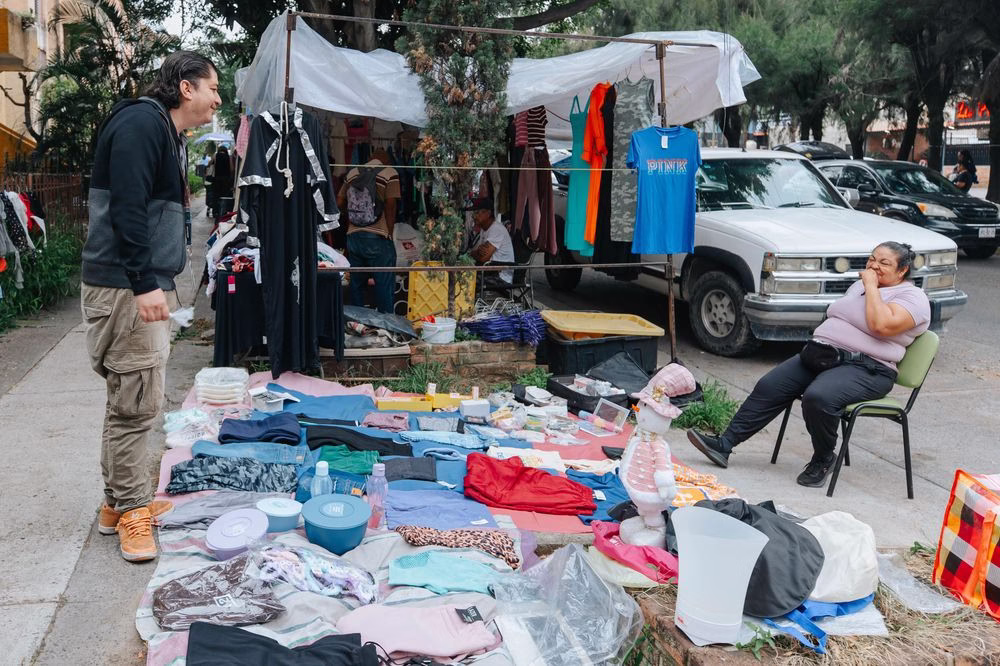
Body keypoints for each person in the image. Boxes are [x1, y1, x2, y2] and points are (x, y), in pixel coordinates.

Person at [80, 51, 220, 561]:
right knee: (137, 405)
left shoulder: (160, 128)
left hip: (127, 283)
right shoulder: (142, 124)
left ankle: (116, 505)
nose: (217, 99)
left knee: (128, 398)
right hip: (123, 287)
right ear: (186, 88)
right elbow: (128, 207)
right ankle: (134, 511)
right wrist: (143, 283)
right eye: (212, 87)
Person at [686, 242, 931, 488]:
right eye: (872, 259)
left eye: (884, 263)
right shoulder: (859, 287)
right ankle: (724, 445)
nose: (873, 265)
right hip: (824, 355)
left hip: (868, 368)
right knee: (771, 385)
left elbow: (882, 325)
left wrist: (870, 285)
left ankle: (824, 459)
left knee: (819, 398)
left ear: (902, 271)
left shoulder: (913, 298)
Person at [337, 156, 400, 313]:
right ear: (384, 161)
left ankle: (357, 325)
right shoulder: (389, 173)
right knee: (383, 283)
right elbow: (391, 206)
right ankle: (385, 324)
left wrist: (353, 219)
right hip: (378, 237)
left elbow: (339, 202)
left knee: (356, 284)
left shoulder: (352, 173)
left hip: (354, 236)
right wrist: (389, 234)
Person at [467, 197, 515, 286]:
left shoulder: (496, 229)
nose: (474, 216)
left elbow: (483, 258)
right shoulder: (484, 229)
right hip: (490, 271)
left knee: (465, 280)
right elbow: (479, 253)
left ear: (488, 213)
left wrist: (473, 253)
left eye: (477, 213)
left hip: (500, 277)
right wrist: (475, 252)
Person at [212, 145, 234, 217]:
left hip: (217, 179)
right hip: (226, 180)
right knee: (225, 196)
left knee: (216, 196)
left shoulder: (215, 156)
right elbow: (231, 169)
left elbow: (213, 166)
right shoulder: (229, 157)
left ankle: (216, 212)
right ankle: (224, 212)